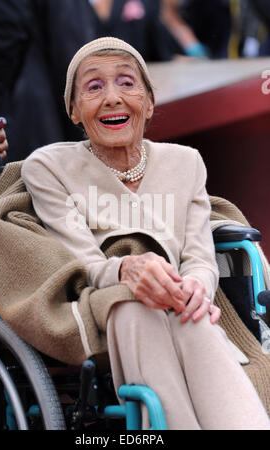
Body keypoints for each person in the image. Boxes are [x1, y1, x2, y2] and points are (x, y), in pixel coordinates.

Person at [21, 37, 270, 430]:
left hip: (178, 307)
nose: (113, 98)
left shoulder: (185, 162)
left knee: (188, 309)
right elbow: (82, 260)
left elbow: (199, 258)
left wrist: (195, 289)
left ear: (149, 103)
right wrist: (127, 271)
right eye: (94, 87)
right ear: (73, 110)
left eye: (126, 82)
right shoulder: (49, 167)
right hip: (100, 309)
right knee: (134, 305)